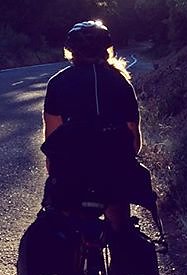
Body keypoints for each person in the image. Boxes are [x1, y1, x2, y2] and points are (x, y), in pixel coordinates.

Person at [41, 20, 143, 231]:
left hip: (71, 170)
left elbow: (52, 137)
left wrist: (55, 168)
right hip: (113, 168)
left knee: (62, 225)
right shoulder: (121, 83)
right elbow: (133, 138)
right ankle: (122, 248)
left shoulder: (57, 83)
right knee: (120, 226)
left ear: (71, 52)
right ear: (106, 50)